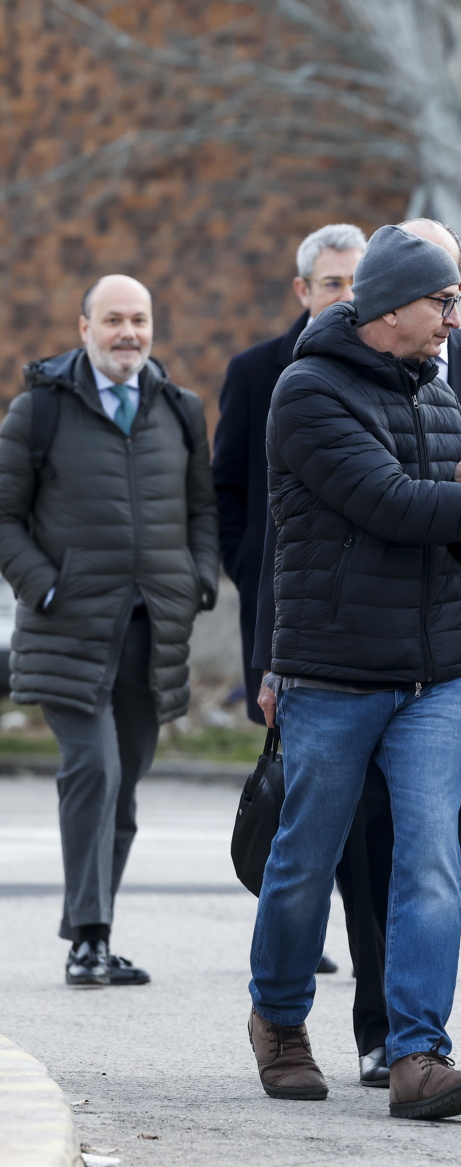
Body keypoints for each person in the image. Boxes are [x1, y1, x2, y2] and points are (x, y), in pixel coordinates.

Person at [246, 224, 461, 1120]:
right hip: (332, 669)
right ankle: (281, 1019)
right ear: (390, 305)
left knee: (431, 862)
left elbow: (439, 531)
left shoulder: (441, 401)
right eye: (443, 301)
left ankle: (418, 1054)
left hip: (436, 670)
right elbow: (389, 504)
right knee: (306, 856)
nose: (455, 318)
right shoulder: (306, 390)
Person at [0, 275, 219, 988]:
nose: (128, 332)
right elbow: (4, 517)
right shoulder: (40, 410)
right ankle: (86, 937)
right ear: (84, 326)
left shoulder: (179, 408)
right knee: (92, 768)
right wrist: (46, 584)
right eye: (113, 319)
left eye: (140, 319)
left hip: (151, 629)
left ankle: (98, 931)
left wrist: (199, 579)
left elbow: (201, 512)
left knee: (123, 788)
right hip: (68, 626)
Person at [215, 223, 366, 726]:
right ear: (303, 289)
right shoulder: (255, 372)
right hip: (277, 604)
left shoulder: (395, 368)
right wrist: (247, 563)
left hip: (364, 606)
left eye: (357, 281)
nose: (347, 295)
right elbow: (226, 487)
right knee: (287, 764)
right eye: (332, 283)